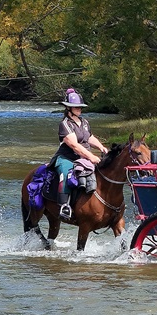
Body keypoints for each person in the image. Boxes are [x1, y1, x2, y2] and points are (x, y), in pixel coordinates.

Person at [50, 89, 107, 218]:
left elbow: (89, 137)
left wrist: (101, 147)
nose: (79, 109)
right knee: (66, 174)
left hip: (84, 157)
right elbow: (74, 145)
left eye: (80, 106)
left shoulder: (85, 122)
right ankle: (64, 206)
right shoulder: (65, 124)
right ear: (68, 108)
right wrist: (91, 156)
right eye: (75, 107)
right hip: (67, 158)